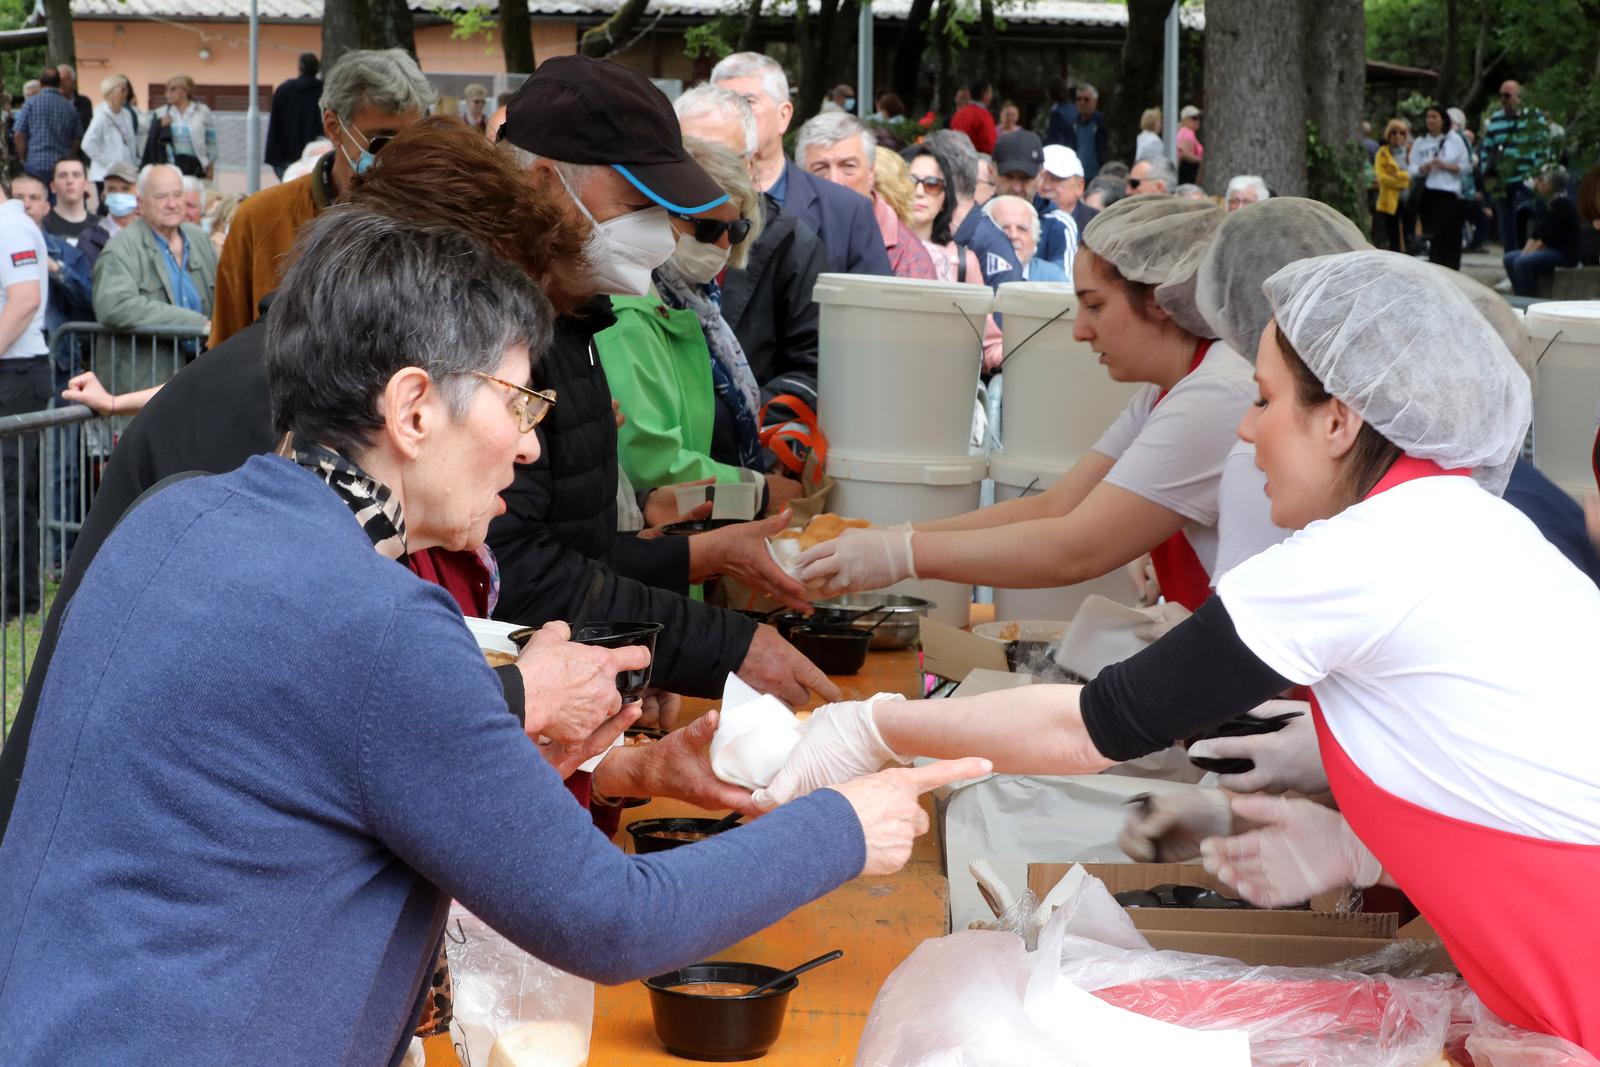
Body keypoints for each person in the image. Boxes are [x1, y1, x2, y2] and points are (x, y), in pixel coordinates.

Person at [0, 201, 990, 1062]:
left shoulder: (175, 518)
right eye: (519, 401)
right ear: (413, 409)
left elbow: (293, 784)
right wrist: (848, 823)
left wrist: (614, 774)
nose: (527, 442)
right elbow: (608, 918)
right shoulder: (374, 623)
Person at [763, 248, 1600, 1057]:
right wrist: (1362, 842)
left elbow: (1091, 726)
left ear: (1340, 420)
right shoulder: (1466, 526)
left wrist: (875, 727)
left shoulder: (1369, 549)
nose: (1245, 427)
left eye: (1265, 400)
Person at [495, 57, 835, 702]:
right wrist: (717, 645)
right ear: (544, 182)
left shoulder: (573, 319)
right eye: (636, 204)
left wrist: (684, 583)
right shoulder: (492, 334)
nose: (658, 231)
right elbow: (511, 572)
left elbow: (583, 550)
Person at [797, 196, 1284, 612]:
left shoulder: (1216, 392)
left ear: (1160, 299)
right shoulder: (1168, 390)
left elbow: (1075, 549)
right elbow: (1056, 506)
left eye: (1094, 305)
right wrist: (893, 534)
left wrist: (901, 555)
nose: (1079, 330)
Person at [210, 47, 432, 347]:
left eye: (414, 140)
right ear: (333, 126)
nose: (399, 155)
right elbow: (224, 348)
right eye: (383, 140)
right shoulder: (260, 219)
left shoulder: (436, 221)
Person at [596, 137, 779, 497]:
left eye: (735, 229)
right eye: (708, 229)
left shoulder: (699, 305)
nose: (724, 245)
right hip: (678, 532)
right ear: (658, 216)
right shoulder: (629, 312)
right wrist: (758, 489)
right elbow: (651, 465)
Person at [676, 84, 831, 402]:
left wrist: (735, 420)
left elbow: (813, 370)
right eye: (685, 154)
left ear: (749, 165)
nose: (699, 170)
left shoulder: (792, 245)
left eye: (716, 156)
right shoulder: (643, 228)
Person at [711, 52, 892, 276]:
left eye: (747, 103)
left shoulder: (846, 210)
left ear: (784, 115)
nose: (733, 115)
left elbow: (869, 305)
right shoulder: (687, 201)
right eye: (722, 104)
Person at [90, 164, 216, 398]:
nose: (172, 203)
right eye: (161, 197)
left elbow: (226, 292)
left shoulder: (199, 238)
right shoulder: (121, 247)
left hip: (200, 378)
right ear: (141, 203)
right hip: (146, 385)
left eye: (177, 195)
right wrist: (199, 324)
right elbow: (115, 306)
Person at [795, 109, 936, 281]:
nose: (834, 181)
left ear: (871, 173)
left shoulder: (907, 258)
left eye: (848, 166)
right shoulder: (786, 233)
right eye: (820, 168)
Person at [0, 170, 51, 619]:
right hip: (17, 369)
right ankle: (21, 599)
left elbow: (24, 300)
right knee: (16, 493)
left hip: (15, 370)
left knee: (8, 493)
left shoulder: (9, 225)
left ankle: (14, 600)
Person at [925, 128, 1021, 289]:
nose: (918, 189)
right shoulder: (951, 233)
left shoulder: (989, 244)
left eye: (929, 181)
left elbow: (1003, 313)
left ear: (946, 179)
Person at [1482, 79, 1553, 252]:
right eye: (1501, 95)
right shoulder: (1496, 120)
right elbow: (1487, 149)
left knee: (1542, 210)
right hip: (1502, 178)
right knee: (1506, 223)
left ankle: (1541, 248)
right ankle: (1511, 258)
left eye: (1507, 95)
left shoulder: (1533, 117)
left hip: (1527, 175)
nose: (1503, 99)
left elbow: (1543, 146)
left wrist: (1538, 172)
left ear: (1518, 97)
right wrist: (1487, 173)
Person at [907, 146, 983, 284]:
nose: (919, 192)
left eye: (932, 184)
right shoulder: (875, 249)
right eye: (910, 181)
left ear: (945, 199)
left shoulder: (965, 262)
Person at [1503, 163, 1581, 297]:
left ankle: (1527, 298)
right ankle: (1519, 293)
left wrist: (1526, 255)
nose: (1537, 183)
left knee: (1521, 263)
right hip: (1549, 249)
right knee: (1509, 258)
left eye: (1540, 180)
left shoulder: (1562, 204)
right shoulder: (1546, 202)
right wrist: (1525, 252)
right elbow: (1536, 233)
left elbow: (1546, 238)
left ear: (1549, 184)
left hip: (1564, 253)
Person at [1408, 103, 1468, 270]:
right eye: (1428, 117)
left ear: (1443, 120)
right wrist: (1424, 168)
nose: (1431, 120)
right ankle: (1436, 267)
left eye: (1435, 117)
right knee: (1433, 236)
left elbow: (1465, 167)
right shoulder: (1420, 142)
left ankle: (1452, 269)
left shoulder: (1454, 140)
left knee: (1450, 236)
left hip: (1449, 194)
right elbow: (1411, 169)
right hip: (1429, 193)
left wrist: (1445, 165)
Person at [13, 67, 82, 186]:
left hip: (35, 163)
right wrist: (70, 156)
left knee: (36, 199)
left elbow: (19, 133)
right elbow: (77, 137)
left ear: (40, 83)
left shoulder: (30, 103)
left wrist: (22, 157)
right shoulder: (70, 107)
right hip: (61, 165)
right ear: (58, 83)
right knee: (58, 201)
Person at [264, 52, 324, 179]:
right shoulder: (324, 91)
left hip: (286, 157)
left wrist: (273, 155)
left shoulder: (284, 89)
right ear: (317, 68)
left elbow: (275, 124)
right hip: (316, 158)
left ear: (300, 68)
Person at [984, 194, 1066, 281]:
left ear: (1035, 239)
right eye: (1003, 228)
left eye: (1022, 229)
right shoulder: (971, 272)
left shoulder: (1054, 279)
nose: (1013, 235)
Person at [81, 73, 140, 187]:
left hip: (126, 175)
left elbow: (131, 142)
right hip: (104, 175)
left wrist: (133, 166)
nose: (126, 93)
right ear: (111, 92)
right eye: (122, 90)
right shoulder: (101, 116)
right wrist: (109, 163)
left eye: (126, 90)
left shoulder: (127, 114)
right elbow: (87, 144)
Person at [154, 75, 217, 181]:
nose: (168, 93)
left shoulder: (202, 111)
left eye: (173, 89)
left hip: (196, 168)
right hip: (170, 168)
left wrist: (210, 168)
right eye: (167, 89)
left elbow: (211, 142)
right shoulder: (162, 113)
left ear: (185, 91)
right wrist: (159, 125)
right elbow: (152, 140)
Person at [79, 160, 138, 266]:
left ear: (140, 193)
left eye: (125, 189)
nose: (118, 195)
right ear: (103, 196)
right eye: (112, 189)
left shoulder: (152, 232)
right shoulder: (90, 237)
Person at [1373, 118, 1410, 252]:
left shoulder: (1410, 151)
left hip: (1407, 199)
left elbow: (1412, 175)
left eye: (1401, 133)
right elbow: (1382, 178)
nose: (1397, 136)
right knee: (1392, 234)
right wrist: (1403, 178)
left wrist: (1399, 176)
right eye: (1394, 133)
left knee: (1409, 233)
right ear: (1388, 135)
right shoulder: (1382, 153)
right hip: (1389, 200)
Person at [44, 156, 95, 246]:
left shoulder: (101, 226)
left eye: (76, 175)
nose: (70, 181)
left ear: (87, 184)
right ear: (53, 186)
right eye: (62, 175)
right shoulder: (42, 225)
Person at [1067, 83, 1107, 180]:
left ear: (1095, 102)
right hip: (1077, 176)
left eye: (1086, 99)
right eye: (1079, 99)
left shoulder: (1101, 122)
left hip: (1097, 176)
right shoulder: (1073, 124)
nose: (1082, 102)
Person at [949, 79, 997, 155]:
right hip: (977, 160)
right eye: (990, 92)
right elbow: (989, 145)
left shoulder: (958, 114)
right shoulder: (984, 115)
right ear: (984, 94)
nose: (992, 96)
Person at [1175, 104, 1203, 185]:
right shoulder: (1188, 132)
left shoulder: (1181, 131)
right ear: (1185, 120)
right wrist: (1201, 160)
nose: (1198, 121)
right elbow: (1183, 153)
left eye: (1199, 118)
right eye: (1194, 118)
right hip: (1188, 176)